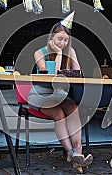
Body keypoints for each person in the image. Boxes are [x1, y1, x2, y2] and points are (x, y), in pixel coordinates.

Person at [28, 14, 93, 173]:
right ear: (51, 37)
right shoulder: (39, 52)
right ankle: (71, 153)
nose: (62, 43)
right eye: (59, 39)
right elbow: (52, 74)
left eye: (65, 40)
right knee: (59, 113)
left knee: (73, 108)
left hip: (60, 95)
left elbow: (78, 73)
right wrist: (57, 54)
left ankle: (78, 152)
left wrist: (70, 53)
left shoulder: (69, 50)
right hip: (40, 94)